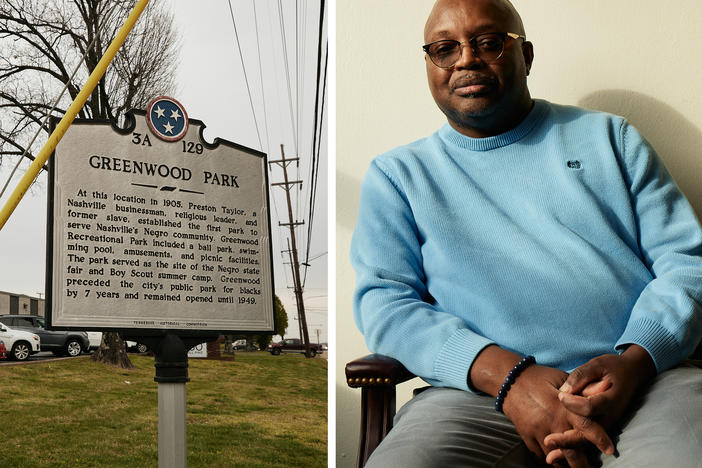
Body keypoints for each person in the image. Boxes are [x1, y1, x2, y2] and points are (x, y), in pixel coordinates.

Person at [350, 0, 702, 466]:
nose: (466, 59)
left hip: (646, 380)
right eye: (444, 48)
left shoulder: (610, 138)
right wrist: (510, 378)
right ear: (429, 64)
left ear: (526, 55)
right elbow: (384, 303)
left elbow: (687, 264)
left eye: (489, 43)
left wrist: (635, 361)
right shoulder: (399, 175)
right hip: (477, 398)